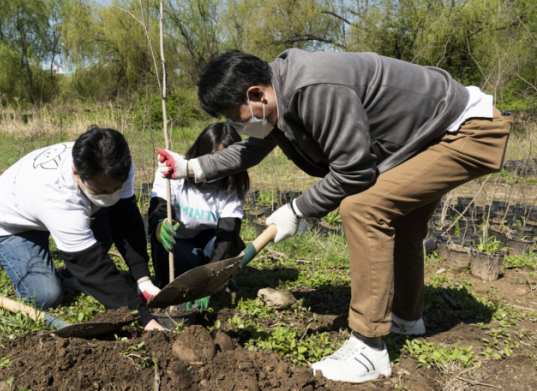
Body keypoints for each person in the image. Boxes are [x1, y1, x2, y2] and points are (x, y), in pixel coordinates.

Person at [157, 49, 511, 382]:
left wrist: (297, 210)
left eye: (236, 116)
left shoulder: (314, 89)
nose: (236, 124)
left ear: (255, 94)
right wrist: (190, 167)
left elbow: (354, 172)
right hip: (432, 134)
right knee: (402, 221)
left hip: (465, 130)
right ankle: (407, 318)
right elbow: (249, 149)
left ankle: (369, 348)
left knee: (364, 207)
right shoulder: (271, 99)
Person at [0, 127, 163, 331]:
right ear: (76, 173)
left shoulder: (116, 165)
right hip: (9, 223)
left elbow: (125, 219)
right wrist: (144, 318)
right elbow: (90, 265)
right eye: (100, 190)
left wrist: (143, 280)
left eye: (116, 187)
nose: (111, 194)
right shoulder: (57, 196)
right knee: (47, 296)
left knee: (110, 209)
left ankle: (69, 276)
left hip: (51, 208)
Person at [149, 122, 248, 294]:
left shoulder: (233, 185)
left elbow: (227, 235)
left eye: (223, 162)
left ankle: (219, 282)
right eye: (211, 159)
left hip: (208, 239)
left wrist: (212, 280)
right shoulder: (173, 170)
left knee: (228, 246)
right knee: (183, 262)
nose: (215, 168)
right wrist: (160, 226)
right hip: (178, 239)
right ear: (199, 152)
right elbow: (158, 210)